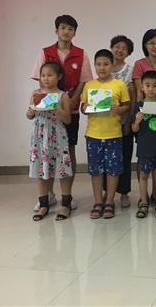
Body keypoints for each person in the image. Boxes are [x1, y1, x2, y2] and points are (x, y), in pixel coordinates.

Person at [30, 14, 92, 211]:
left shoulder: (81, 54)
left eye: (70, 29)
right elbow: (41, 79)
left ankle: (68, 195)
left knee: (68, 150)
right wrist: (46, 100)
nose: (66, 32)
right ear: (56, 30)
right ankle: (48, 195)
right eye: (63, 28)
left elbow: (84, 81)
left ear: (75, 33)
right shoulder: (45, 52)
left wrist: (73, 100)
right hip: (46, 114)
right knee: (45, 152)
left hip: (70, 110)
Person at [81, 49, 130, 220]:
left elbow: (126, 106)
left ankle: (109, 202)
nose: (102, 68)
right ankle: (97, 202)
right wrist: (86, 108)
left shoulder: (119, 85)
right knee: (95, 171)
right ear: (94, 66)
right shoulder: (89, 85)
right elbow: (83, 107)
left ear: (112, 65)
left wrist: (119, 109)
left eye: (106, 64)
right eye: (99, 64)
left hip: (113, 134)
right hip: (93, 135)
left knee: (113, 170)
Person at [27, 62, 73, 221]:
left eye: (50, 75)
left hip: (57, 136)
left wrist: (57, 109)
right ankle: (43, 204)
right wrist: (31, 110)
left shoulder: (63, 95)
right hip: (40, 136)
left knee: (62, 169)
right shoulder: (36, 94)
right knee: (41, 168)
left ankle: (65, 204)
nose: (46, 78)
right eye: (43, 75)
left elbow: (68, 119)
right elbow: (29, 115)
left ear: (59, 77)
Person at [132, 71, 156, 220]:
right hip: (144, 147)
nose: (151, 89)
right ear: (142, 87)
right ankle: (143, 202)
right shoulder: (139, 105)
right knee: (143, 175)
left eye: (155, 85)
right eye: (147, 85)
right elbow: (134, 129)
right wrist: (137, 121)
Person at [104, 35, 136, 209]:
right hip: (105, 124)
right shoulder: (104, 68)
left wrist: (128, 121)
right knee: (105, 158)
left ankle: (124, 192)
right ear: (111, 48)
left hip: (123, 121)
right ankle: (106, 190)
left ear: (128, 52)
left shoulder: (130, 71)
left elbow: (132, 98)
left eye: (124, 48)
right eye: (117, 46)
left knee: (124, 156)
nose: (120, 50)